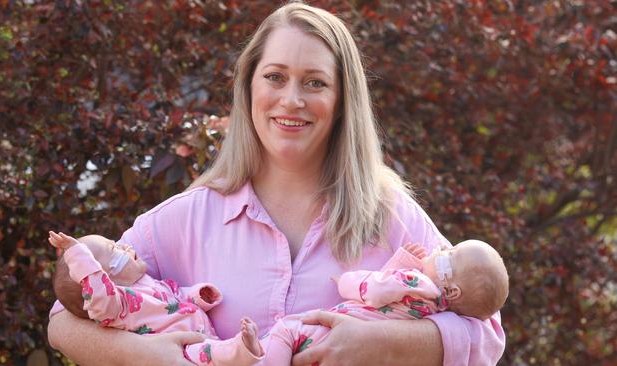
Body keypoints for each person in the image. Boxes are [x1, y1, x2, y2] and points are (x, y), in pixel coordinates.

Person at [47, 2, 506, 365]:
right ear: (249, 87)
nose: (292, 99)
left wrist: (383, 344)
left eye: (314, 83)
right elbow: (62, 321)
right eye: (275, 77)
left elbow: (486, 334)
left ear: (342, 100)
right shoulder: (183, 221)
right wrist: (141, 356)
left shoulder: (390, 216)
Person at [247, 240, 509, 365]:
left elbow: (375, 288)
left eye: (445, 257)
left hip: (326, 334)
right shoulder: (436, 308)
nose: (437, 249)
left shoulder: (415, 282)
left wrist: (344, 282)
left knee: (286, 330)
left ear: (452, 291)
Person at [48, 231, 263, 365]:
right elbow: (95, 286)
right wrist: (78, 254)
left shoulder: (148, 283)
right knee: (217, 353)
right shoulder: (117, 304)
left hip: (203, 338)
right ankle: (244, 348)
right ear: (105, 278)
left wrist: (197, 295)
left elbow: (175, 299)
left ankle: (246, 350)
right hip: (183, 353)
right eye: (114, 248)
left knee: (217, 351)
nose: (124, 245)